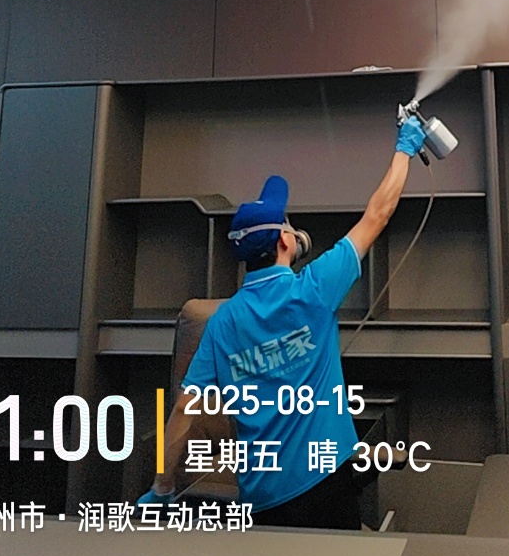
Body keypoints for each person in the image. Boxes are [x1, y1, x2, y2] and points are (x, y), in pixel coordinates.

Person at [136, 113, 427, 529]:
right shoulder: (314, 288)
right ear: (286, 240)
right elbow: (378, 214)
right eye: (288, 225)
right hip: (327, 485)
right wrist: (404, 149)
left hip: (261, 500)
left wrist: (162, 486)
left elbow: (185, 407)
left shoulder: (221, 323)